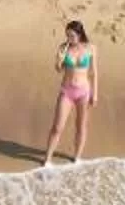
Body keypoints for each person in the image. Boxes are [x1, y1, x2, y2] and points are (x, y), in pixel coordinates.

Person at [39, 20, 98, 166]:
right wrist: (59, 60)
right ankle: (47, 160)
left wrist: (95, 94)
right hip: (67, 91)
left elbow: (94, 73)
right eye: (67, 36)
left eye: (71, 36)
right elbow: (59, 70)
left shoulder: (90, 48)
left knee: (81, 126)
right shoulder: (64, 48)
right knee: (57, 127)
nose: (69, 39)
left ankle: (77, 158)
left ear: (79, 34)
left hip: (84, 92)